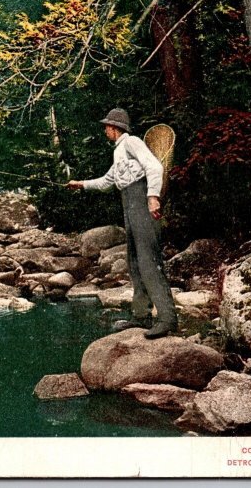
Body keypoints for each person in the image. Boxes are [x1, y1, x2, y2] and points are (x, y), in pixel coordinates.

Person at [66, 108, 178, 339]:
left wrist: (153, 197)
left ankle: (167, 318)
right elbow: (108, 181)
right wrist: (81, 184)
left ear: (115, 128)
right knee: (135, 260)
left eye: (107, 126)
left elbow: (154, 167)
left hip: (141, 200)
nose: (105, 130)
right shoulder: (119, 151)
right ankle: (141, 315)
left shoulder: (132, 142)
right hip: (129, 203)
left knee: (149, 260)